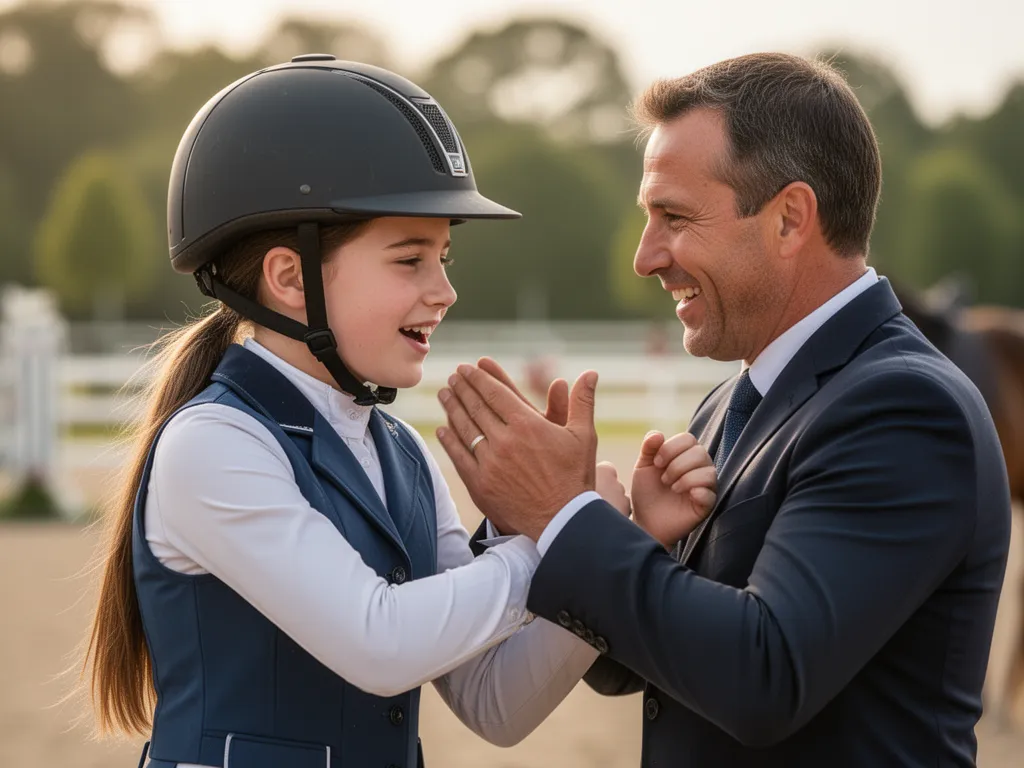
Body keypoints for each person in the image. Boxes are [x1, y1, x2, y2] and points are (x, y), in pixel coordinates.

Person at [79, 56, 718, 768]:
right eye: (410, 260)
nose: (444, 291)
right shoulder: (214, 444)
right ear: (290, 279)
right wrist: (559, 530)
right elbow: (380, 643)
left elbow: (494, 704)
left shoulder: (398, 452)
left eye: (444, 258)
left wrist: (626, 543)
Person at [435, 52, 1012, 767]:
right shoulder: (728, 404)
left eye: (673, 217)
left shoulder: (904, 406)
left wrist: (565, 517)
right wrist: (631, 533)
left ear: (790, 219)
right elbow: (655, 665)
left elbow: (764, 678)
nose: (647, 256)